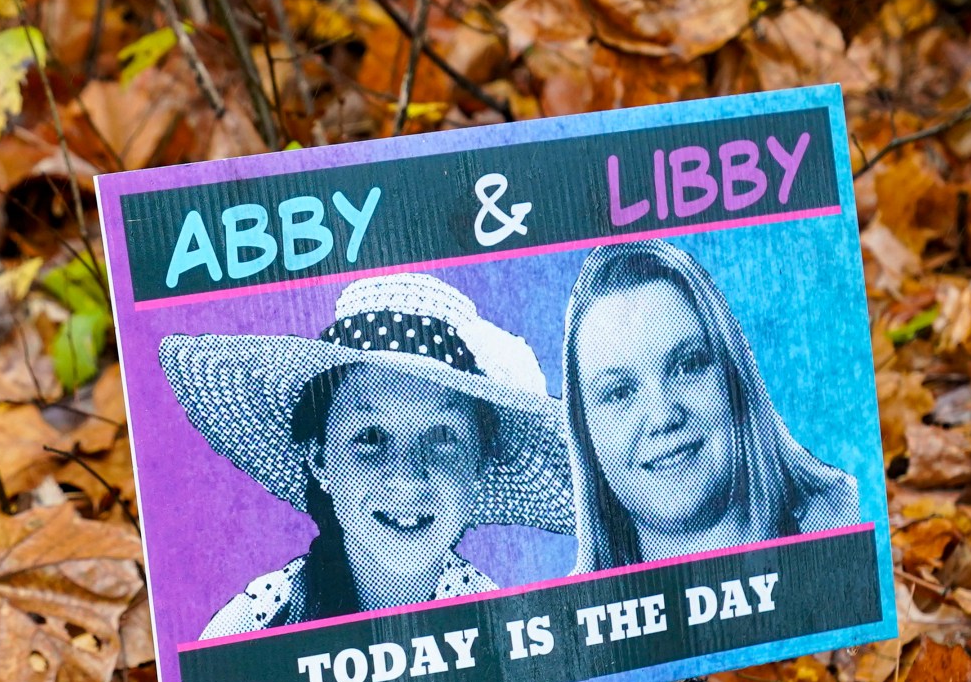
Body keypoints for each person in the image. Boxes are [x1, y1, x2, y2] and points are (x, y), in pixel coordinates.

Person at [161, 274, 573, 639]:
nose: (406, 480)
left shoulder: (501, 632)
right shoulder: (257, 625)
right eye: (371, 436)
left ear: (479, 468)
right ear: (319, 459)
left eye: (443, 437)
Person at [560, 240, 863, 571]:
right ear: (584, 433)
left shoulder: (855, 521)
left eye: (687, 366)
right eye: (619, 392)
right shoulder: (570, 616)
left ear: (734, 375)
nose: (662, 416)